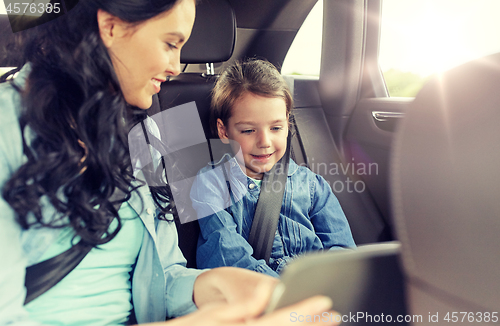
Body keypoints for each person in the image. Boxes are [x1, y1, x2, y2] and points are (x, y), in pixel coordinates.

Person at [0, 1, 339, 325]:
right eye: (170, 43)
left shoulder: (142, 135)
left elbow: (163, 271)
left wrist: (212, 286)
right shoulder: (7, 132)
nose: (177, 66)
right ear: (111, 26)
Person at [191, 59, 356, 278]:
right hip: (254, 294)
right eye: (249, 131)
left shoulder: (312, 185)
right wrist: (282, 292)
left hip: (317, 289)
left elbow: (342, 250)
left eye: (276, 127)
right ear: (224, 131)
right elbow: (226, 255)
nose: (265, 141)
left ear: (288, 124)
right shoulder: (212, 184)